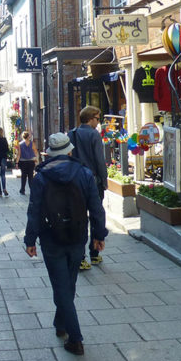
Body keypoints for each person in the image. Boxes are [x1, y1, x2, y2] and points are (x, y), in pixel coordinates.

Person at [24, 132, 107, 356]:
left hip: (51, 237)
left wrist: (30, 239)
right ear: (70, 151)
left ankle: (75, 338)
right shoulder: (85, 173)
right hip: (78, 235)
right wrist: (99, 234)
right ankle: (61, 323)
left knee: (61, 286)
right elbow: (96, 208)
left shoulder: (41, 177)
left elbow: (34, 210)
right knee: (68, 283)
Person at [68, 106, 108, 270]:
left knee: (79, 218)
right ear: (91, 118)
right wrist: (104, 179)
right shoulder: (94, 134)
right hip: (92, 181)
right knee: (96, 215)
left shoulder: (72, 133)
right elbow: (99, 160)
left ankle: (81, 257)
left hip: (76, 180)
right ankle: (94, 253)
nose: (98, 122)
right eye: (97, 119)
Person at [17, 131, 37, 196]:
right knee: (31, 176)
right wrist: (36, 159)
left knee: (23, 176)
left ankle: (22, 189)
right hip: (31, 161)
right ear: (28, 136)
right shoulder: (32, 143)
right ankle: (32, 189)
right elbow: (35, 151)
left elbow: (19, 154)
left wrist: (17, 162)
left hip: (23, 161)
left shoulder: (20, 144)